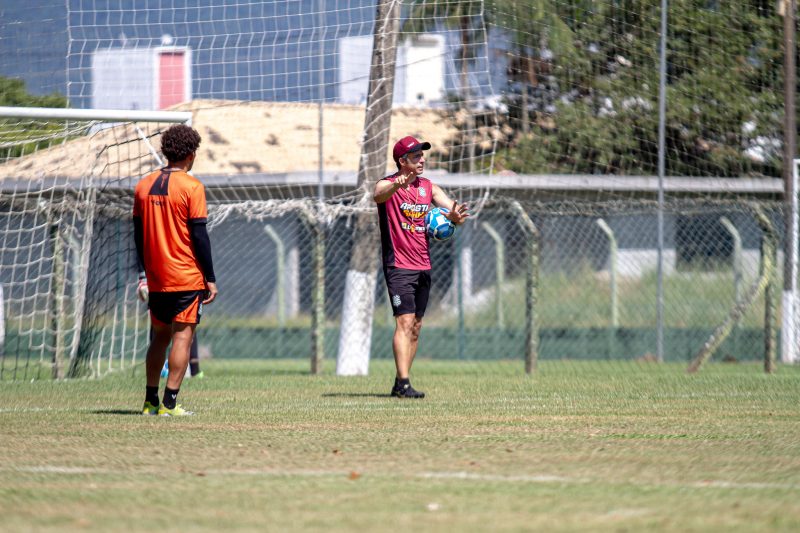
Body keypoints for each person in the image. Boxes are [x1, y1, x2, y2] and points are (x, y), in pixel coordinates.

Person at [373, 136, 469, 398]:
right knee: (403, 322)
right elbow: (378, 194)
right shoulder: (388, 184)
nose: (422, 159)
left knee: (415, 326)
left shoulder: (429, 187)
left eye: (422, 155)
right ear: (402, 161)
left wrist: (455, 217)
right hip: (398, 265)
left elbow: (451, 209)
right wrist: (396, 187)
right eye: (416, 156)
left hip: (423, 264)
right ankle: (404, 384)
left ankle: (399, 383)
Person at [133, 124, 218, 416]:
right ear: (192, 155)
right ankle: (169, 403)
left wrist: (143, 273)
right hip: (185, 276)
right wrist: (210, 278)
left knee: (159, 336)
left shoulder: (143, 185)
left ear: (165, 151)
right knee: (183, 337)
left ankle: (149, 401)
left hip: (156, 278)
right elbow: (199, 236)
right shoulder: (192, 187)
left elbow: (137, 235)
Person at [138, 276, 205, 380]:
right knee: (177, 329)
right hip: (170, 281)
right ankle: (183, 370)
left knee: (183, 326)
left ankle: (191, 368)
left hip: (178, 281)